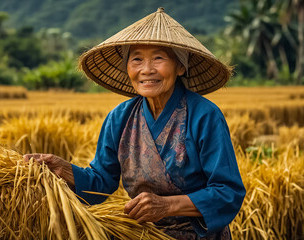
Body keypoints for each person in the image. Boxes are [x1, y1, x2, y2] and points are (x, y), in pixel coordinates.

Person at [24, 7, 246, 239]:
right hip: (144, 234)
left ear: (180, 66)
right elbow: (100, 182)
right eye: (137, 59)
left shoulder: (204, 115)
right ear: (127, 67)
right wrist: (64, 170)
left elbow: (228, 192)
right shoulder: (119, 118)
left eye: (158, 58)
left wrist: (167, 206)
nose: (146, 70)